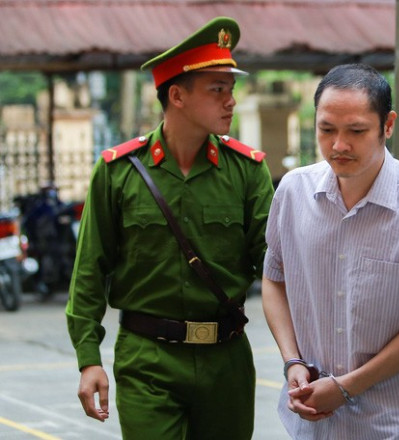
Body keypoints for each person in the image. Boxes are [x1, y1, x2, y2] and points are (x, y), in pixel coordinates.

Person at [65, 17, 273, 439]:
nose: (231, 101)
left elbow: (276, 267)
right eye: (217, 89)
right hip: (148, 360)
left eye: (231, 89)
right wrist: (89, 358)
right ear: (177, 95)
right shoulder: (118, 173)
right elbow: (89, 270)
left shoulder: (247, 171)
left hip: (226, 360)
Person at [261, 63, 399, 439]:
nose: (339, 145)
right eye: (327, 129)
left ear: (388, 125)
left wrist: (346, 387)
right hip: (311, 424)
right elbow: (274, 279)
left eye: (356, 131)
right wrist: (292, 360)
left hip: (393, 424)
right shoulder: (293, 192)